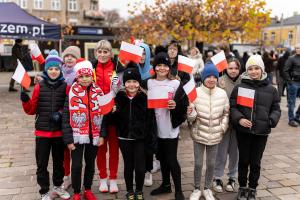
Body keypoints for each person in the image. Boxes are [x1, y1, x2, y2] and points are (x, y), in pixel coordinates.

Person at [20, 49, 70, 200]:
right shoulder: (38, 87)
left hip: (58, 133)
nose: (53, 71)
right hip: (42, 133)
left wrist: (60, 113)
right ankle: (44, 191)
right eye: (50, 69)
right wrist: (25, 100)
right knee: (41, 164)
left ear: (60, 70)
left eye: (56, 68)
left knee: (58, 163)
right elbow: (31, 110)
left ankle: (57, 186)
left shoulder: (65, 86)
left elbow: (68, 107)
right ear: (46, 70)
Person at [230, 55, 281, 200]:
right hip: (243, 132)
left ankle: (252, 188)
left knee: (255, 162)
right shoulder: (240, 87)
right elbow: (233, 107)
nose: (253, 72)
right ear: (247, 71)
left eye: (256, 68)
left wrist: (271, 120)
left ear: (262, 70)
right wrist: (239, 119)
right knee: (243, 160)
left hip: (261, 132)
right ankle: (242, 187)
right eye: (250, 69)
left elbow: (276, 108)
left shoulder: (271, 90)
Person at [62, 59, 106, 200]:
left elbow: (104, 115)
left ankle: (87, 189)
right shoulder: (71, 93)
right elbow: (65, 117)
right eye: (81, 76)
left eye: (87, 76)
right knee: (76, 165)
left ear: (91, 76)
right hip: (77, 135)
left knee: (90, 164)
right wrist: (68, 139)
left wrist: (102, 135)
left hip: (94, 134)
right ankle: (76, 191)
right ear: (77, 77)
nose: (85, 79)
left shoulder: (98, 92)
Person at [149, 52, 189, 200]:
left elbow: (184, 106)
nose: (161, 68)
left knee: (172, 159)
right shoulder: (148, 83)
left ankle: (178, 190)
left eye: (165, 65)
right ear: (154, 67)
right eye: (158, 65)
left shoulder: (176, 84)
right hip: (156, 128)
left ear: (169, 67)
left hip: (170, 128)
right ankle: (166, 184)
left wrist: (176, 105)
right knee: (161, 158)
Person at [111, 68, 155, 200]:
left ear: (139, 83)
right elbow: (113, 121)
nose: (131, 84)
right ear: (125, 83)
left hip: (140, 138)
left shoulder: (145, 97)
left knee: (140, 167)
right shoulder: (119, 97)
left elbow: (150, 120)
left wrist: (150, 138)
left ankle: (139, 190)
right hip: (124, 137)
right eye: (128, 81)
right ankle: (130, 190)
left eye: (135, 81)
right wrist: (113, 112)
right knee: (128, 165)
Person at [187, 62, 229, 200]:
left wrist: (222, 128)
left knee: (211, 163)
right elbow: (191, 117)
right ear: (203, 78)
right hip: (199, 133)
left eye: (214, 77)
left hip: (215, 134)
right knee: (198, 163)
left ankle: (207, 188)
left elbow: (226, 114)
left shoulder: (222, 94)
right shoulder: (195, 93)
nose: (211, 79)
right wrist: (190, 113)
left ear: (217, 78)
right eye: (208, 76)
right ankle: (197, 188)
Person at [92, 40, 120, 193]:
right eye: (100, 51)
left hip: (113, 116)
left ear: (111, 53)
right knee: (100, 149)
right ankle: (103, 178)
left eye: (105, 51)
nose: (102, 54)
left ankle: (113, 179)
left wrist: (117, 102)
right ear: (96, 53)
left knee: (114, 149)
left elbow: (124, 93)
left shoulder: (117, 69)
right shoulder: (91, 68)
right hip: (97, 116)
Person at [213, 58, 241, 193]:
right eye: (230, 68)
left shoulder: (244, 81)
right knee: (221, 152)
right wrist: (220, 88)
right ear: (226, 68)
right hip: (222, 122)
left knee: (235, 153)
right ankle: (217, 177)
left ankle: (232, 177)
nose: (233, 71)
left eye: (236, 68)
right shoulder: (219, 81)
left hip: (238, 124)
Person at [60, 45, 81, 190]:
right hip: (61, 116)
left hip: (77, 117)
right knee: (64, 150)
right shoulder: (58, 72)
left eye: (72, 56)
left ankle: (76, 177)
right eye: (67, 55)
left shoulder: (80, 75)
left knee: (76, 150)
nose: (69, 58)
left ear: (77, 59)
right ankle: (66, 176)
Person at [282, 43, 300, 127]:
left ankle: (297, 117)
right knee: (292, 103)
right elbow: (285, 70)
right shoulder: (291, 58)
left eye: (299, 48)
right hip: (294, 83)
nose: (298, 49)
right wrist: (290, 82)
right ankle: (291, 120)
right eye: (297, 48)